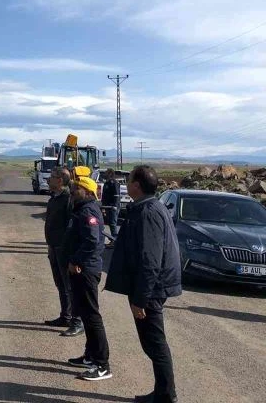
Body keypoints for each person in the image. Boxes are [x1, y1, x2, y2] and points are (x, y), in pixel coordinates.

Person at [106, 166, 182, 403]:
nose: (126, 184)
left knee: (155, 344)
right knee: (152, 343)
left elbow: (150, 261)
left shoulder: (148, 211)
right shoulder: (149, 207)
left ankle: (166, 396)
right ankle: (162, 392)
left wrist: (140, 299)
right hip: (150, 287)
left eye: (128, 180)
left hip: (150, 289)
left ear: (136, 185)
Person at [64, 169, 112, 381]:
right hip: (82, 269)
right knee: (85, 313)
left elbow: (92, 242)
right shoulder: (82, 208)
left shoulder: (88, 212)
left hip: (86, 270)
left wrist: (75, 261)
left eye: (77, 189)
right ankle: (90, 356)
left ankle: (102, 365)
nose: (73, 192)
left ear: (89, 192)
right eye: (73, 188)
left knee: (92, 317)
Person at [43, 167, 83, 336]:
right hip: (54, 247)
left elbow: (72, 227)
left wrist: (70, 253)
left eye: (52, 177)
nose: (48, 179)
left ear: (60, 180)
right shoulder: (54, 198)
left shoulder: (68, 199)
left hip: (63, 249)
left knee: (70, 286)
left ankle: (77, 321)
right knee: (61, 284)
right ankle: (65, 316)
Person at [102, 169, 121, 242]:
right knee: (110, 223)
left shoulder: (114, 183)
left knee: (113, 223)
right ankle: (112, 239)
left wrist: (115, 206)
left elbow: (116, 195)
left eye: (106, 173)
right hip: (107, 206)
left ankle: (114, 240)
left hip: (113, 207)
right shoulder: (107, 183)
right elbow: (104, 196)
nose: (105, 174)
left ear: (110, 174)